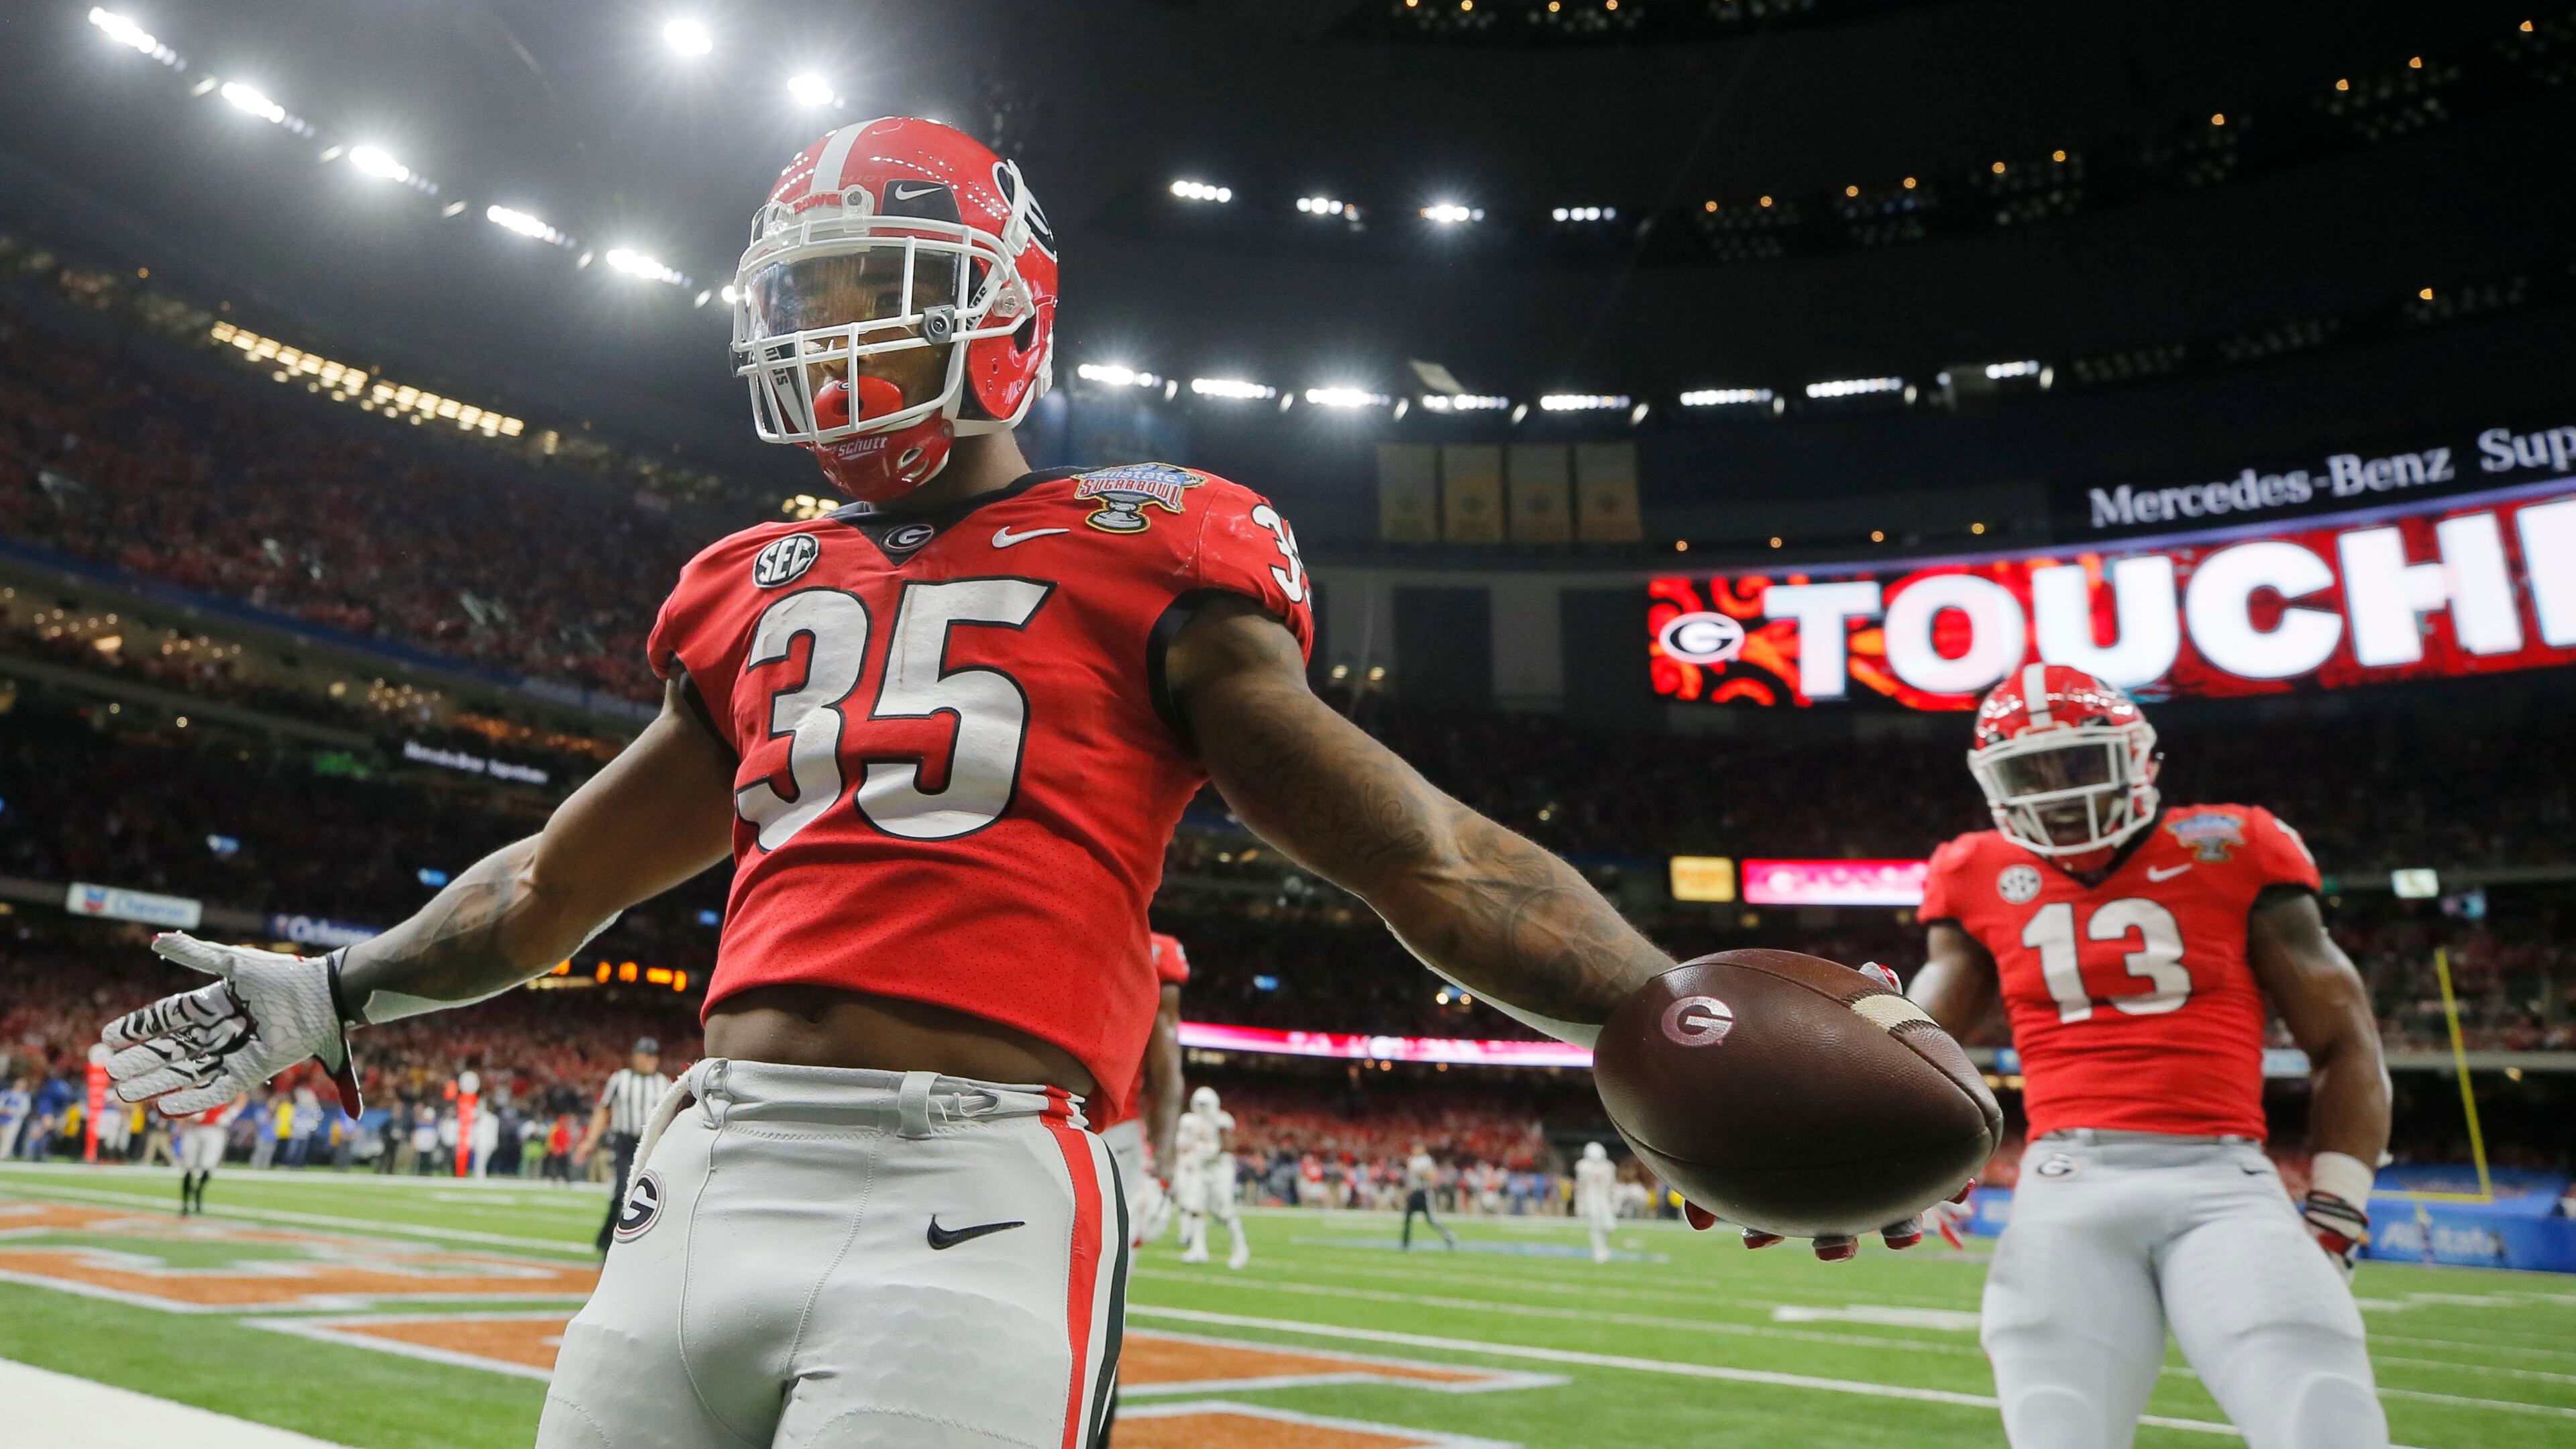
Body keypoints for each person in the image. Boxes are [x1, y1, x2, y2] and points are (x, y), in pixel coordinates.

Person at [93, 116, 1890, 1449]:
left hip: (966, 1197)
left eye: (885, 296)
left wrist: (1668, 1008)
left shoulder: (1153, 542)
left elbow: (1423, 857)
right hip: (695, 1177)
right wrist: (339, 988)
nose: (837, 340)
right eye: (808, 302)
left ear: (1008, 311)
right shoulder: (749, 581)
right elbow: (553, 885)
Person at [1908, 665, 2390, 1449]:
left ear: (2140, 757)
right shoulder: (1974, 870)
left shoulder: (2235, 845)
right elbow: (1923, 1040)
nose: (2059, 791)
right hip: (2066, 1183)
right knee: (2058, 1430)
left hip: (2224, 1180)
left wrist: (2336, 1205)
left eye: (2079, 763)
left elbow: (2344, 1040)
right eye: (2033, 772)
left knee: (2322, 1414)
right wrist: (1879, 1105)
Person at [1095, 932, 1189, 1250]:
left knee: (1113, 1246)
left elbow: (1167, 1072)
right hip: (1047, 1109)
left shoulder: (1155, 951)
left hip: (1112, 1124)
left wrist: (1163, 1160)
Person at [578, 1039, 672, 1252]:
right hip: (625, 1143)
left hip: (651, 1144)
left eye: (654, 1056)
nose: (651, 1060)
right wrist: (590, 1141)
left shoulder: (663, 1082)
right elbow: (604, 1110)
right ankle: (607, 1242)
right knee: (622, 1193)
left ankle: (640, 1243)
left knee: (650, 1195)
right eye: (646, 1055)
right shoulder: (620, 1080)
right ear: (636, 1056)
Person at [1173, 1087, 1249, 1269]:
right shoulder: (1191, 1121)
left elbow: (1228, 1145)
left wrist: (1207, 1150)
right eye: (1200, 1104)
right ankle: (1199, 1249)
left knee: (1224, 1211)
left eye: (1205, 1104)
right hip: (1201, 1167)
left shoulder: (1222, 1119)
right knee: (1195, 1206)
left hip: (1220, 1168)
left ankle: (1241, 1248)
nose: (1202, 1108)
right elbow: (1182, 1144)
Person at [178, 1093, 244, 1216]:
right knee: (188, 1166)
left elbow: (241, 1097)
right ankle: (185, 1204)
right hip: (193, 1128)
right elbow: (180, 1093)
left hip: (214, 1128)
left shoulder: (223, 1077)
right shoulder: (195, 1081)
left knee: (208, 1166)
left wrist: (230, 1114)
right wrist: (189, 1111)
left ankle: (198, 1191)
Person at [1399, 1142, 1457, 1250]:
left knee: (1431, 1220)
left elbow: (1432, 1174)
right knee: (1407, 1217)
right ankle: (1405, 1243)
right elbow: (1411, 1178)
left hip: (1425, 1193)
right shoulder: (1412, 1160)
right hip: (1415, 1192)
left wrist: (1420, 1172)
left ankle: (1449, 1236)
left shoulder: (1427, 1160)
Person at [1576, 1141, 1621, 1264]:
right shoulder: (1583, 1166)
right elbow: (1581, 1186)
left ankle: (1604, 1248)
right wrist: (1580, 1203)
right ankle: (1598, 1251)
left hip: (1604, 1199)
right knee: (1595, 1226)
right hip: (1591, 1199)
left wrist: (1615, 1201)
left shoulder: (1609, 1166)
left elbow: (1612, 1185)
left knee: (1610, 1226)